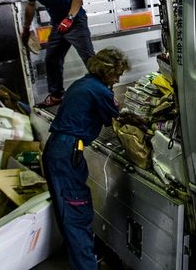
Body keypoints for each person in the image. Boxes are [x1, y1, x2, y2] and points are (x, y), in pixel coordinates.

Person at [42, 48, 129, 270]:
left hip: (56, 150)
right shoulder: (100, 90)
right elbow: (115, 121)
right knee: (77, 213)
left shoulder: (82, 83)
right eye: (116, 74)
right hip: (67, 153)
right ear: (107, 71)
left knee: (68, 213)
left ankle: (81, 261)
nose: (118, 79)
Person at [6, 0, 95, 108]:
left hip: (75, 22)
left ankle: (105, 92)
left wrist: (70, 18)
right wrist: (26, 29)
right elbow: (31, 7)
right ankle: (57, 95)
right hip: (58, 25)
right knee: (52, 59)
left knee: (89, 59)